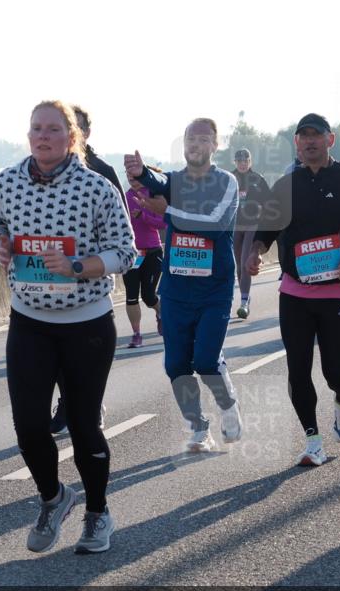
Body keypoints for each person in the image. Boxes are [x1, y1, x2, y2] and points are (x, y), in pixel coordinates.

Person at [0, 100, 135, 554]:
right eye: (35, 129)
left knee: (85, 426)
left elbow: (125, 252)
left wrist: (78, 266)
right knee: (29, 428)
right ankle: (54, 497)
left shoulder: (98, 188)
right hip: (29, 322)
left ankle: (97, 512)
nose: (42, 137)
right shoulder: (7, 182)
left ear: (72, 138)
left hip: (86, 323)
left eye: (52, 129)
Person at [247, 113, 340, 466]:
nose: (309, 141)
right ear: (297, 142)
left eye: (316, 135)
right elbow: (266, 229)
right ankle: (313, 441)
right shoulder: (287, 185)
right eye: (303, 136)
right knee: (298, 369)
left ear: (330, 140)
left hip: (338, 292)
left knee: (336, 372)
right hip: (295, 293)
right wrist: (256, 252)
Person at [125, 118, 242, 453]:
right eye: (190, 139)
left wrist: (170, 212)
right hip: (176, 290)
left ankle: (228, 404)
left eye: (203, 139)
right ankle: (198, 427)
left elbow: (216, 224)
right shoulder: (174, 180)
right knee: (176, 365)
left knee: (205, 360)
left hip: (214, 291)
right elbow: (157, 180)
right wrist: (140, 172)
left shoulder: (226, 182)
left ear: (215, 145)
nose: (195, 145)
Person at [48, 106, 122, 435]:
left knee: (88, 354)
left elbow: (122, 234)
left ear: (83, 134)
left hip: (91, 281)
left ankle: (93, 402)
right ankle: (66, 404)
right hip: (52, 278)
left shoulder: (103, 172)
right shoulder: (42, 172)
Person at [124, 169, 165, 347]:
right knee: (131, 296)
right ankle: (136, 334)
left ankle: (162, 314)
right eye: (129, 176)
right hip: (132, 254)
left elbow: (163, 223)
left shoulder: (153, 196)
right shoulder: (123, 197)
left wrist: (143, 216)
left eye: (135, 176)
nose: (132, 180)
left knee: (148, 295)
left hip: (152, 252)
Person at [231, 148, 272, 318]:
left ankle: (243, 302)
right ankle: (246, 299)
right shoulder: (229, 179)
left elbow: (270, 202)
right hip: (235, 226)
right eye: (239, 161)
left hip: (252, 225)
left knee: (245, 262)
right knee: (239, 268)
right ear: (235, 162)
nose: (242, 164)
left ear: (250, 162)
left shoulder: (258, 179)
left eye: (245, 161)